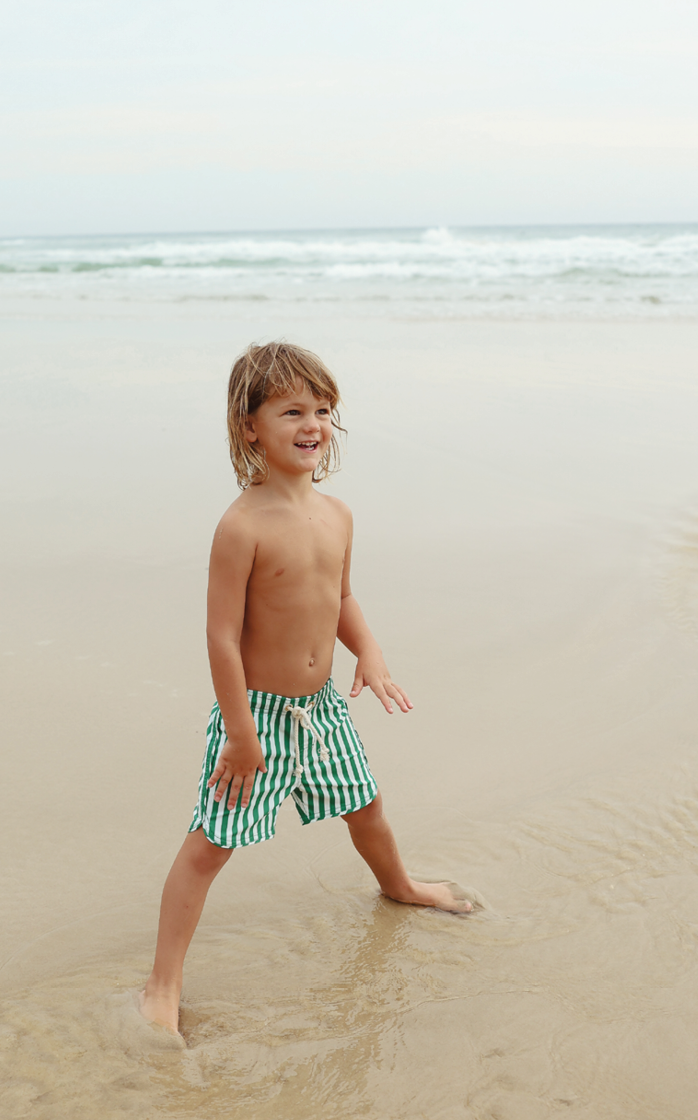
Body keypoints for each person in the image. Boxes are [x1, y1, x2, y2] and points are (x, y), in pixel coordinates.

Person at [141, 342, 471, 1034]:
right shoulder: (241, 527)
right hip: (256, 716)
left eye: (322, 410)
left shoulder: (338, 515)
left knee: (366, 806)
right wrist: (240, 733)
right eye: (292, 410)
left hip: (322, 711)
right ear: (248, 426)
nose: (312, 423)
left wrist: (370, 654)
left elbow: (341, 594)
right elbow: (221, 638)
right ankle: (162, 985)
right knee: (210, 845)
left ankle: (399, 885)